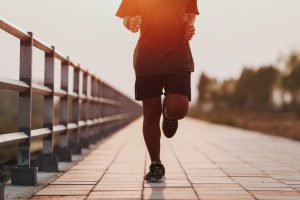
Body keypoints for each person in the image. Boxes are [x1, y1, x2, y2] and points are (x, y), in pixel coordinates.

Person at [116, 0, 199, 182]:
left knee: (179, 108)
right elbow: (126, 16)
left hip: (178, 54)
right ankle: (155, 163)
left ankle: (168, 112)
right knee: (150, 112)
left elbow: (191, 11)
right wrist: (130, 23)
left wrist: (189, 25)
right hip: (147, 56)